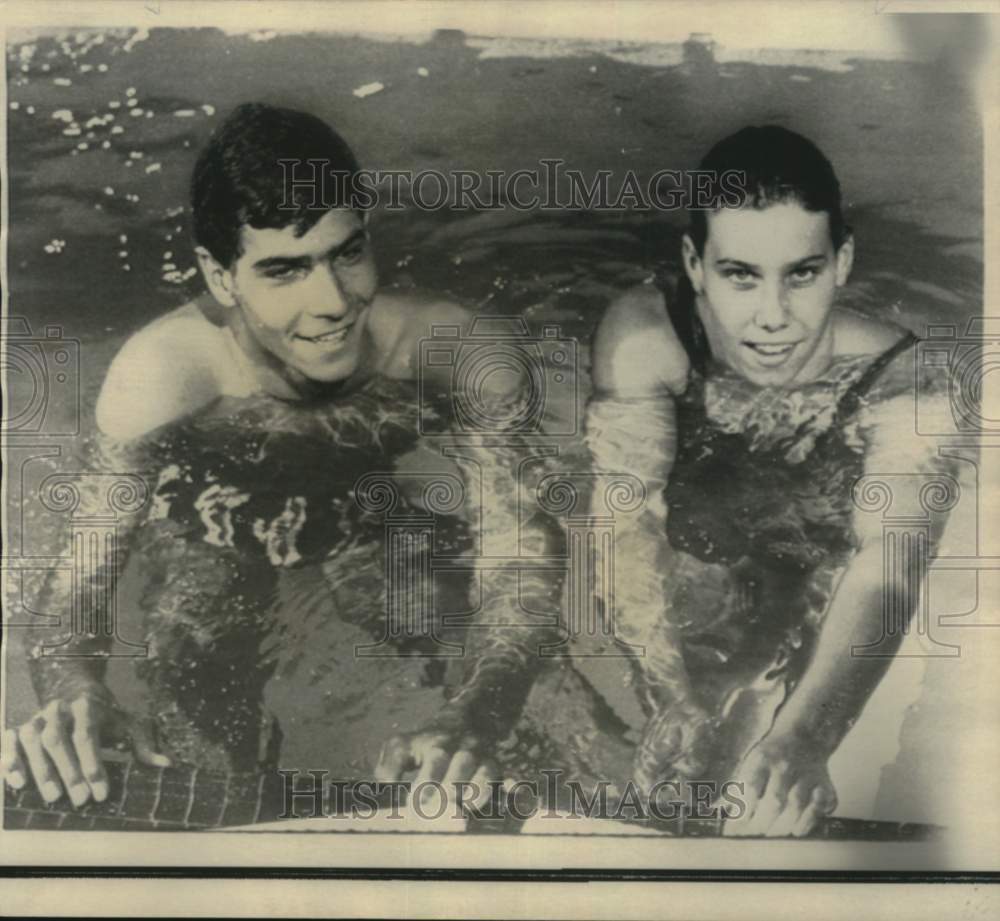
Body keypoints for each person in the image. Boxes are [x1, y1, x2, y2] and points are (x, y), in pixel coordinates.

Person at [1, 103, 556, 811]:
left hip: (371, 519)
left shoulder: (459, 352)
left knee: (524, 711)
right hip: (212, 531)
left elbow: (522, 555)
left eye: (347, 253)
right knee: (188, 717)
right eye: (285, 270)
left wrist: (478, 711)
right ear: (220, 275)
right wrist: (76, 685)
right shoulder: (162, 377)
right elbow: (76, 581)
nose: (332, 302)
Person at [585, 125, 960, 836]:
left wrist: (807, 736)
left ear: (842, 261)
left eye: (802, 273)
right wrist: (664, 692)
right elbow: (624, 523)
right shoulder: (646, 338)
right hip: (702, 510)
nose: (773, 317)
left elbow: (892, 560)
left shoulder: (903, 378)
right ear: (695, 265)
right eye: (741, 275)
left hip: (818, 515)